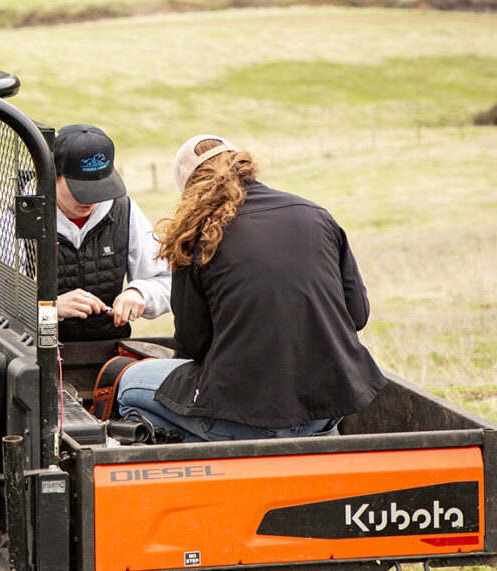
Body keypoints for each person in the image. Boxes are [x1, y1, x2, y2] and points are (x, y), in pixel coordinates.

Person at [116, 134, 386, 442]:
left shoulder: (195, 236)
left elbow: (193, 344)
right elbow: (358, 316)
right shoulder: (316, 214)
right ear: (244, 165)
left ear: (189, 189)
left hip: (247, 415)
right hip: (327, 410)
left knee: (129, 384)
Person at [45, 124, 171, 342]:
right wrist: (51, 309)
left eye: (100, 188)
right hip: (36, 359)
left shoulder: (125, 211)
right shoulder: (21, 219)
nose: (92, 200)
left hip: (107, 350)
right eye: (82, 190)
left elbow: (167, 281)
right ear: (52, 175)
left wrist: (139, 293)